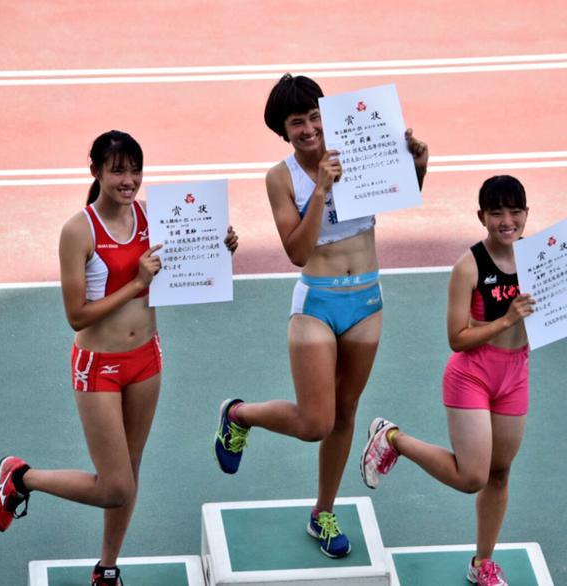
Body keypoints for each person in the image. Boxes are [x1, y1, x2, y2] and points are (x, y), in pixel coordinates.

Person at [0, 130, 239, 586]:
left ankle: (106, 568)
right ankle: (22, 478)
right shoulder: (78, 231)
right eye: (118, 170)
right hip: (98, 366)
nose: (128, 180)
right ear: (96, 172)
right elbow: (76, 316)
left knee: (131, 470)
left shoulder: (154, 217)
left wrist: (217, 247)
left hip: (146, 359)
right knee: (116, 486)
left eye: (135, 170)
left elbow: (187, 264)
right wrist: (137, 284)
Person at [214, 74, 428, 558]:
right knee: (315, 422)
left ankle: (323, 513)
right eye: (297, 122)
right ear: (283, 130)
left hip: (366, 300)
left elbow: (401, 189)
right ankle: (239, 414)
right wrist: (322, 191)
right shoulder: (280, 178)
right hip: (317, 302)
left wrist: (417, 162)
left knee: (346, 412)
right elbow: (296, 251)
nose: (309, 128)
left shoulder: (356, 150)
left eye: (315, 117)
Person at [360, 175, 534, 585]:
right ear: (481, 216)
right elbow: (457, 338)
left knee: (499, 473)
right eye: (496, 213)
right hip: (472, 375)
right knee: (473, 477)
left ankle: (482, 563)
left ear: (527, 214)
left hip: (516, 374)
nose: (507, 221)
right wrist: (507, 319)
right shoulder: (468, 266)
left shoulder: (540, 260)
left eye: (515, 212)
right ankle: (392, 439)